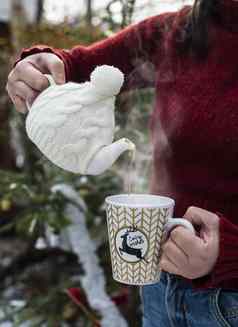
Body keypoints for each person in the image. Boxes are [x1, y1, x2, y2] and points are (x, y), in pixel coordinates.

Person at [6, 0, 238, 326]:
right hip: (159, 288)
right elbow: (78, 69)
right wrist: (42, 68)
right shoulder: (177, 33)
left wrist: (231, 255)